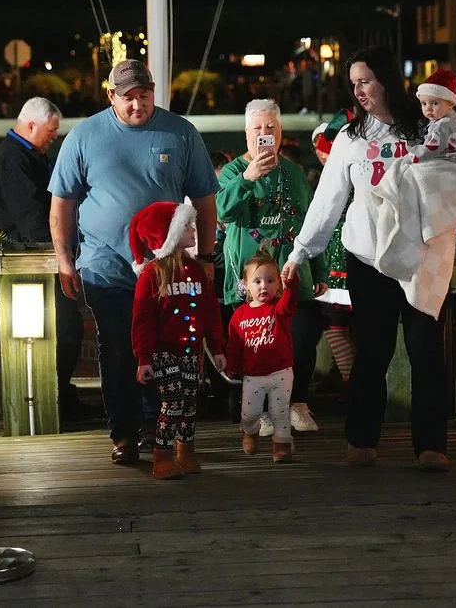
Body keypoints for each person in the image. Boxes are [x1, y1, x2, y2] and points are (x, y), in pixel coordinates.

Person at [281, 44, 453, 472]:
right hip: (370, 260)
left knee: (425, 350)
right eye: (353, 82)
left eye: (366, 80)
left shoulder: (425, 129)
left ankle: (431, 446)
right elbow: (328, 200)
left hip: (421, 258)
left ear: (387, 79)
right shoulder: (350, 138)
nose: (359, 90)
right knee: (373, 350)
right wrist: (300, 252)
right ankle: (362, 440)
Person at [49, 59, 219, 465]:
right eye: (127, 98)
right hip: (106, 265)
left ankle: (154, 427)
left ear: (153, 92)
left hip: (166, 268)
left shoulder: (180, 133)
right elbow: (62, 202)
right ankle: (123, 432)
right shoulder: (84, 136)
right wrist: (64, 258)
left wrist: (207, 257)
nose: (136, 105)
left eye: (143, 96)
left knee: (165, 346)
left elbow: (206, 201)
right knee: (118, 347)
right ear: (111, 96)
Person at [216, 99, 326, 437]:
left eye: (271, 128)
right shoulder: (234, 171)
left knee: (303, 337)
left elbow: (312, 224)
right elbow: (222, 211)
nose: (265, 133)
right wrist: (248, 178)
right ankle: (259, 411)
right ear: (247, 133)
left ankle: (297, 402)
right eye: (257, 128)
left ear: (280, 133)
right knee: (255, 344)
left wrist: (319, 273)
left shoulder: (293, 173)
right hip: (250, 278)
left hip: (293, 274)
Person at [0, 97, 91, 421]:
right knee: (64, 329)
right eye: (51, 131)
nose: (53, 138)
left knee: (65, 328)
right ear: (31, 125)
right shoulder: (14, 159)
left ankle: (59, 393)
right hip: (33, 261)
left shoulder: (21, 155)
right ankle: (54, 398)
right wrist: (60, 249)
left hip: (41, 256)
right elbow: (32, 216)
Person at [130, 201, 225, 480]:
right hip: (163, 352)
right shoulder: (152, 275)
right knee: (172, 402)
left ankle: (186, 450)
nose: (193, 229)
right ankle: (162, 454)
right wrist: (143, 358)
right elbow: (142, 320)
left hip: (192, 351)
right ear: (168, 234)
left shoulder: (197, 271)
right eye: (185, 225)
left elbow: (210, 311)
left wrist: (217, 347)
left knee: (190, 400)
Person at [226, 250, 299, 463]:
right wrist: (232, 365)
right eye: (257, 281)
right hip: (253, 374)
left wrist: (292, 282)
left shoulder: (279, 309)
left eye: (270, 280)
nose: (263, 286)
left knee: (280, 412)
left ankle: (282, 444)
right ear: (246, 285)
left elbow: (291, 299)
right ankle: (249, 432)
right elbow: (234, 344)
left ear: (278, 285)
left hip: (281, 371)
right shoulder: (240, 315)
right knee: (250, 412)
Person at [310, 113, 356, 397]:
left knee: (335, 324)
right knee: (338, 325)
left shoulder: (340, 179)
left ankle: (354, 385)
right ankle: (351, 382)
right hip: (344, 263)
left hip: (342, 265)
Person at [415, 69, 456, 161]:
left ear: (450, 104)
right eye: (424, 103)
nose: (428, 108)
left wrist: (413, 155)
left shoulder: (442, 125)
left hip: (444, 161)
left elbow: (431, 149)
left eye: (434, 103)